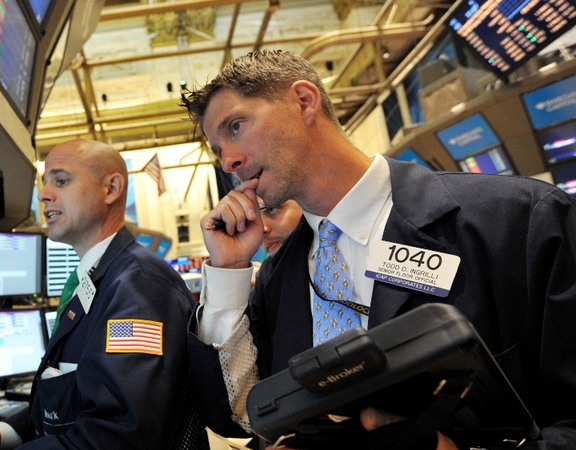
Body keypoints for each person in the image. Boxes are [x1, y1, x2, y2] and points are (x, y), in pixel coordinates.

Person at [179, 49, 576, 449]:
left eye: (235, 127)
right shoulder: (277, 278)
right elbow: (237, 415)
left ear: (303, 101)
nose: (228, 161)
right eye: (217, 149)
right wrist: (229, 272)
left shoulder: (518, 221)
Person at [0, 139, 207, 450]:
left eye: (61, 181)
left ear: (112, 188)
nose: (45, 194)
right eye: (44, 183)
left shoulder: (138, 287)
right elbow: (67, 402)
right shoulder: (98, 279)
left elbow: (117, 436)